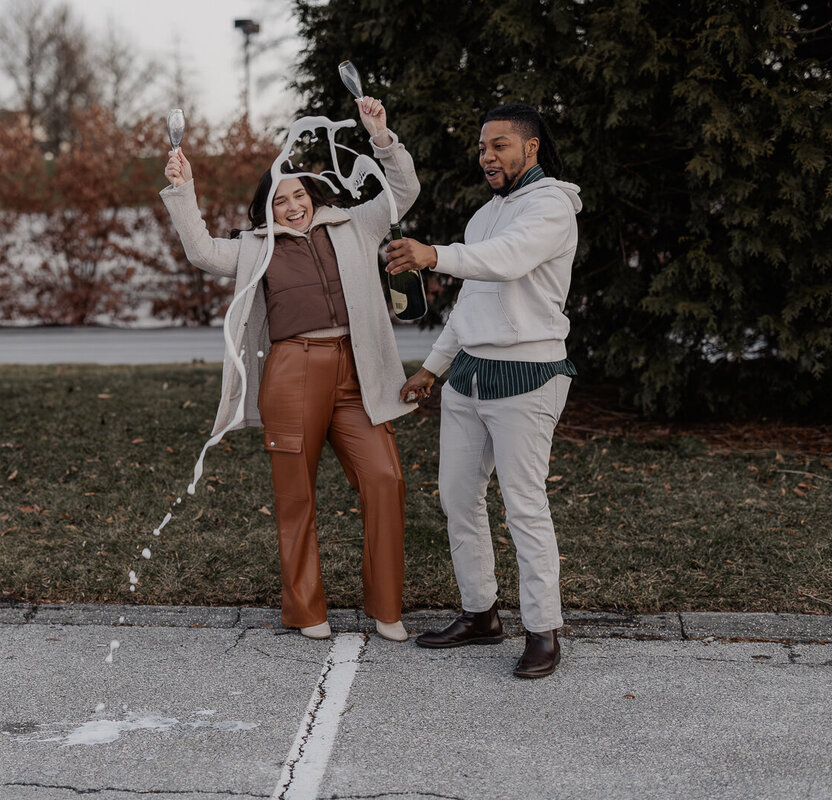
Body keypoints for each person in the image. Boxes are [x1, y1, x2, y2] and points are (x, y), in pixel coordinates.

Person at [161, 97, 419, 642]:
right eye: (281, 200)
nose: (293, 206)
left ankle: (386, 606)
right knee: (296, 496)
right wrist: (183, 190)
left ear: (314, 196)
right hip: (292, 373)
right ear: (267, 209)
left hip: (357, 373)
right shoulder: (256, 248)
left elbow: (402, 192)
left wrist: (381, 137)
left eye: (299, 194)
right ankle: (306, 610)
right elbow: (203, 251)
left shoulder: (355, 226)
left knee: (385, 479)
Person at [386, 103, 582, 678]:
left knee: (524, 505)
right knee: (457, 498)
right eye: (482, 148)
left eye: (499, 145)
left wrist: (435, 255)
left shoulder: (551, 207)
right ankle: (481, 614)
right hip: (469, 377)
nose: (488, 157)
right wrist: (433, 368)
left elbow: (508, 261)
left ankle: (544, 630)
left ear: (531, 148)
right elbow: (473, 299)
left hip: (529, 376)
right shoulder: (482, 216)